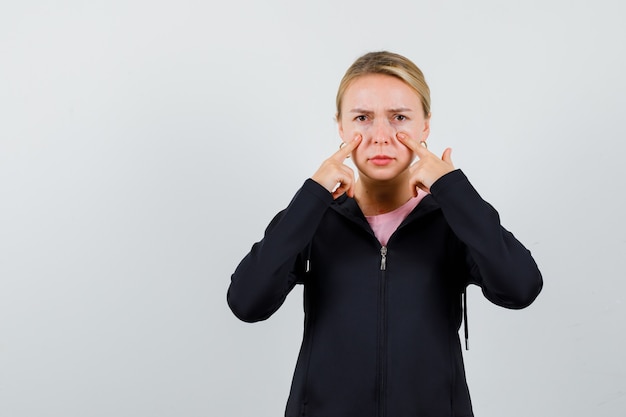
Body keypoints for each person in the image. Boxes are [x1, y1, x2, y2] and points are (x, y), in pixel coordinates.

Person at [227, 51, 543, 417]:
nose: (380, 136)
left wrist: (454, 191)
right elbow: (246, 302)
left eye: (399, 118)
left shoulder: (454, 219)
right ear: (342, 128)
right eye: (362, 118)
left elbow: (521, 289)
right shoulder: (314, 217)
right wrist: (312, 195)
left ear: (425, 126)